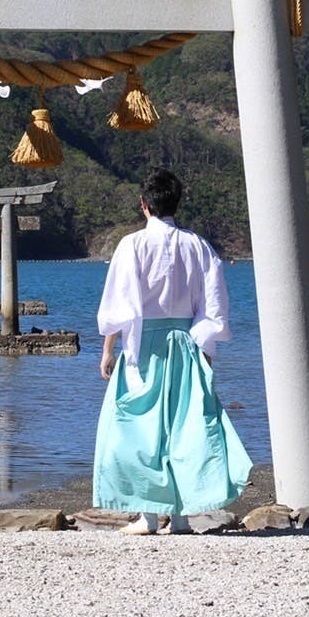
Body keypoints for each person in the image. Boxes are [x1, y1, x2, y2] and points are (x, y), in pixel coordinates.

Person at [92, 167, 252, 534]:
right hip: (185, 342)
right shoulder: (198, 245)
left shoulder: (131, 245)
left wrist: (107, 350)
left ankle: (148, 516)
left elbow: (119, 305)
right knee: (184, 428)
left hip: (142, 342)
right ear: (175, 204)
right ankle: (179, 517)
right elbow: (213, 306)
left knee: (136, 428)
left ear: (144, 205)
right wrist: (205, 348)